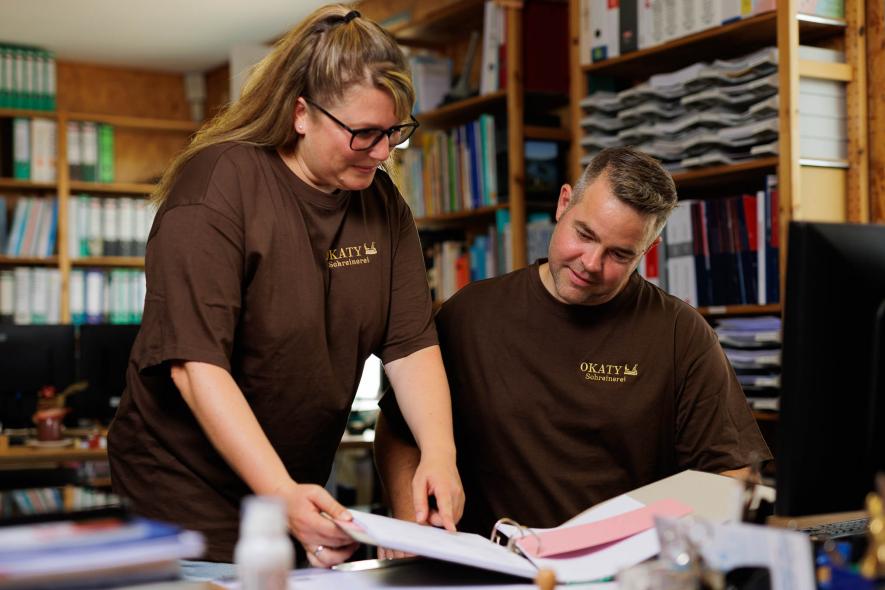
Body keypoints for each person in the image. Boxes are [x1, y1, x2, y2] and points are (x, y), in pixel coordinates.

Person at [108, 5, 463, 570]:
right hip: (183, 516)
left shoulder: (381, 200)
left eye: (394, 132)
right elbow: (196, 369)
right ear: (302, 113)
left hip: (292, 504)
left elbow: (411, 346)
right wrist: (280, 492)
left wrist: (439, 456)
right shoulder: (218, 186)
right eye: (363, 133)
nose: (381, 152)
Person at [374, 147, 771, 539]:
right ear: (564, 203)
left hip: (623, 574)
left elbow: (732, 474)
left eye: (619, 254)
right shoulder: (470, 314)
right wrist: (413, 530)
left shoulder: (680, 334)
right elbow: (399, 431)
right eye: (584, 234)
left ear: (648, 251)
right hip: (489, 569)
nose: (591, 263)